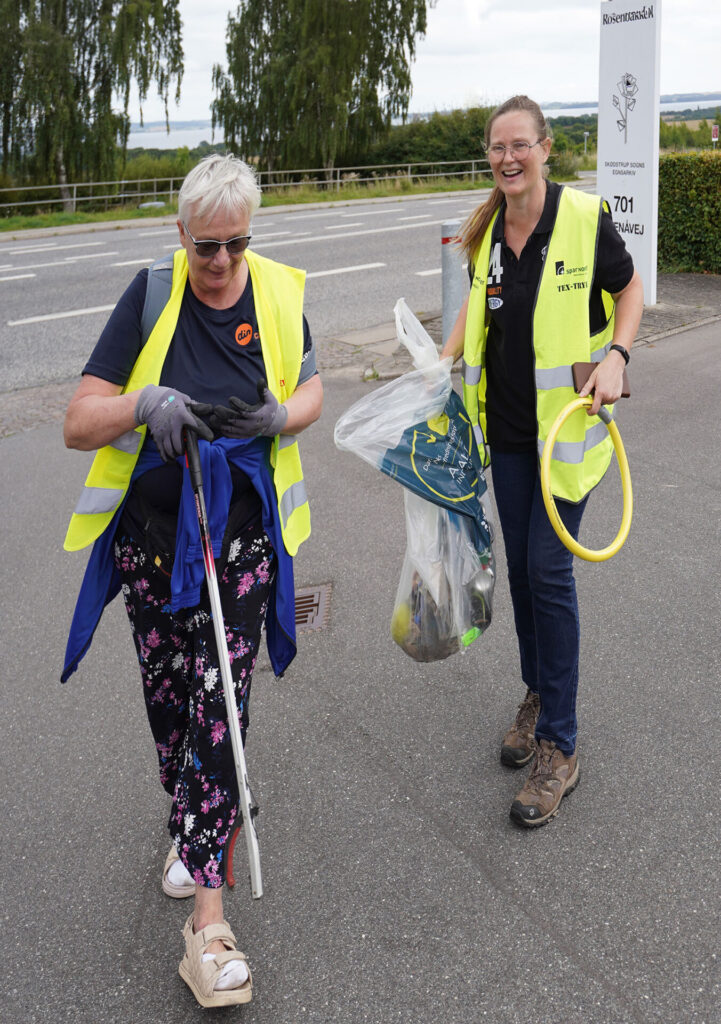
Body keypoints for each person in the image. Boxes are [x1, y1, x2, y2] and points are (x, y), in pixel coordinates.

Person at [62, 153, 323, 1006]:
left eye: (235, 245)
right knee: (172, 708)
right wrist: (143, 406)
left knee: (219, 715)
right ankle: (192, 824)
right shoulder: (147, 297)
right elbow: (76, 421)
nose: (220, 263)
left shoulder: (277, 294)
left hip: (240, 549)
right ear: (181, 235)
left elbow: (313, 388)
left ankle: (208, 927)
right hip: (150, 548)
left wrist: (279, 415)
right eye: (206, 246)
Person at [441, 96, 643, 828]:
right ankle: (535, 692)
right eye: (496, 148)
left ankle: (560, 742)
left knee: (548, 573)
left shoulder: (584, 220)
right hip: (509, 436)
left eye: (519, 145)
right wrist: (444, 353)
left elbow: (627, 293)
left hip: (568, 431)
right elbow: (475, 303)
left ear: (544, 148)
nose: (506, 158)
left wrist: (617, 355)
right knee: (522, 571)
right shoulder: (490, 229)